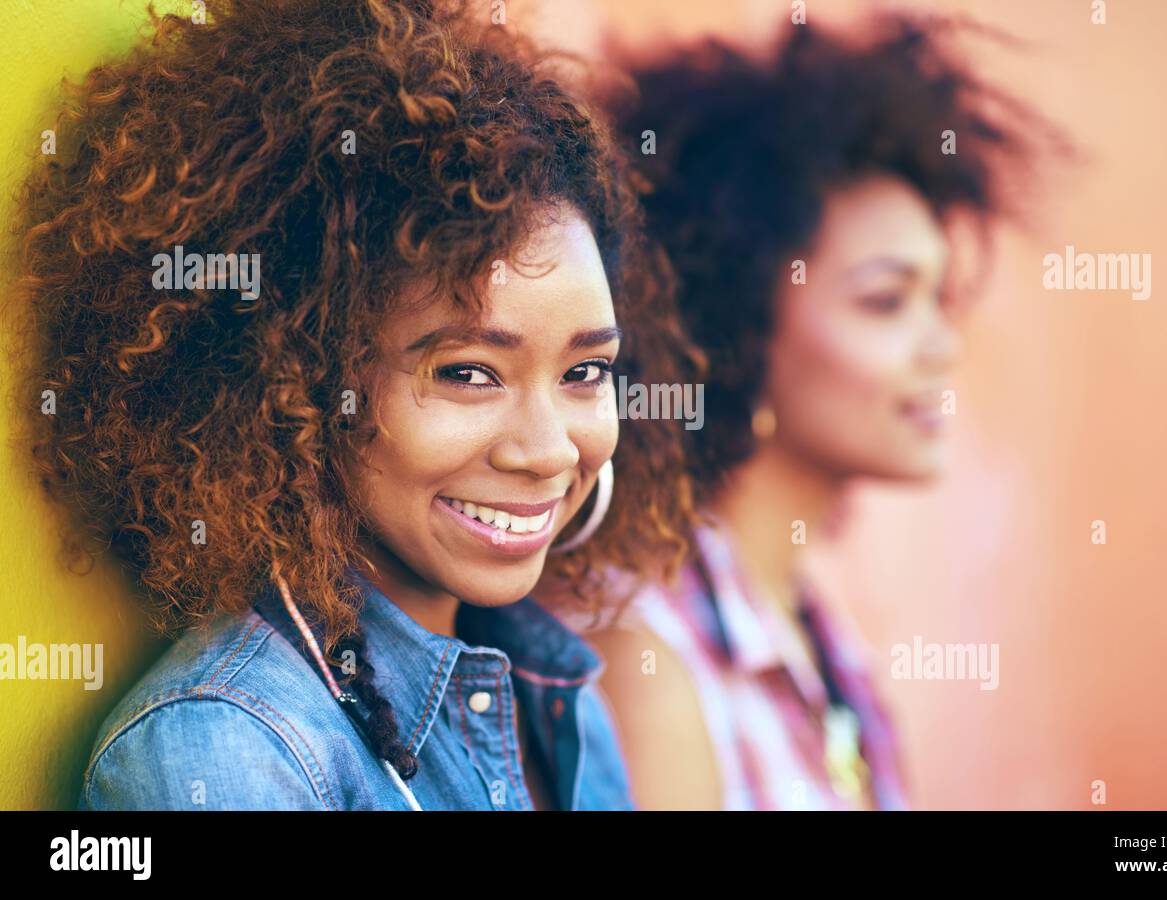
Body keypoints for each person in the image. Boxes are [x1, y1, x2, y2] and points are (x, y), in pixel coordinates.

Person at [13, 0, 697, 810]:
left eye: (584, 372)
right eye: (469, 373)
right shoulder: (227, 750)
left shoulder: (561, 692)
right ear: (293, 381)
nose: (549, 450)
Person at [581, 14, 1064, 810]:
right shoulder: (646, 665)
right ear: (733, 324)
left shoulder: (818, 642)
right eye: (885, 301)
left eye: (939, 299)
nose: (941, 345)